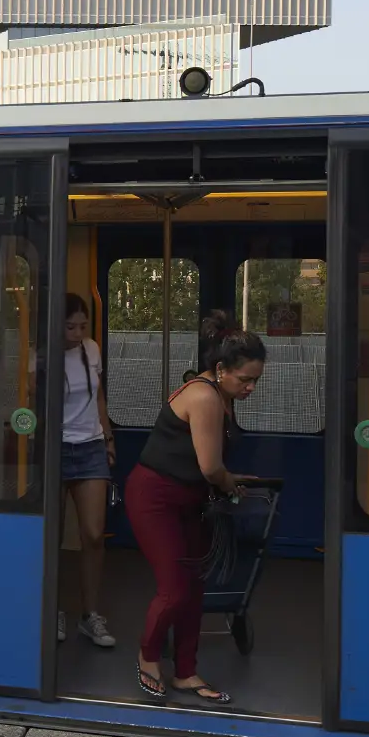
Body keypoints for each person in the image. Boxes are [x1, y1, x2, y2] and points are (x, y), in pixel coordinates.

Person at [124, 330, 265, 704]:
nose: (250, 388)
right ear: (221, 369)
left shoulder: (221, 392)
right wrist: (228, 481)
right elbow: (209, 467)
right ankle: (148, 655)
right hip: (156, 498)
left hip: (190, 500)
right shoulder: (204, 396)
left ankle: (186, 671)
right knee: (174, 589)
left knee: (194, 589)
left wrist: (226, 478)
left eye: (256, 381)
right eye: (245, 379)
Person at [58, 293, 116, 649]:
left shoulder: (91, 350)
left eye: (83, 325)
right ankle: (52, 610)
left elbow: (98, 397)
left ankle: (90, 614)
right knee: (51, 536)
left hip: (91, 445)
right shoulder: (42, 353)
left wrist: (108, 437)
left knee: (93, 533)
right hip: (56, 447)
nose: (78, 332)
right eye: (70, 326)